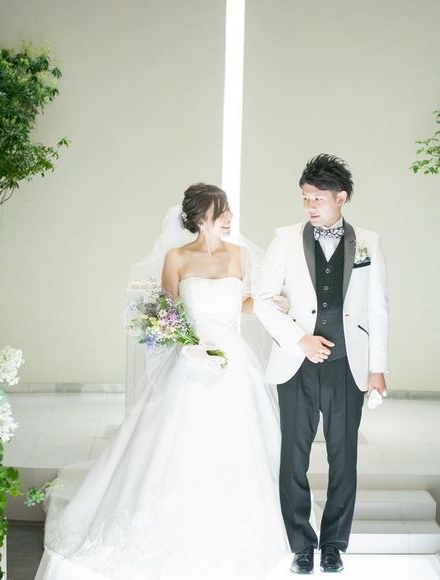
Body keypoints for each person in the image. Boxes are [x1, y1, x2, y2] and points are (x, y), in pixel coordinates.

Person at [35, 183, 288, 580]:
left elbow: (244, 303)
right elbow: (166, 313)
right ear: (201, 217)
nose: (229, 217)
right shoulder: (176, 258)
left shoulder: (240, 255)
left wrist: (272, 303)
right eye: (222, 211)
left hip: (234, 363)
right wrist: (187, 345)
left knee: (240, 440)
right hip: (190, 360)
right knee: (177, 441)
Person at [254, 154, 389, 574]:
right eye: (305, 198)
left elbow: (378, 308)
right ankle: (301, 545)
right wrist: (300, 339)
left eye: (318, 198)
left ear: (341, 198)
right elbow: (263, 300)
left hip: (348, 364)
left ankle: (333, 545)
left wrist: (378, 367)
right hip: (296, 362)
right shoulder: (285, 239)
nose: (310, 206)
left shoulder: (368, 242)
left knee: (343, 457)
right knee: (293, 458)